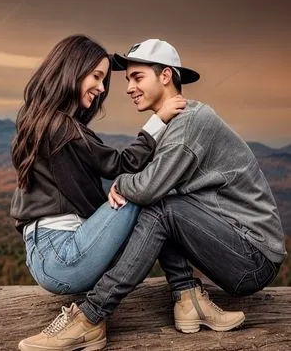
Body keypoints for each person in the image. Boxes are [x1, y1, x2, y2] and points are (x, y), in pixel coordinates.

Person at [18, 39, 286, 351]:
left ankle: (90, 317)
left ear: (166, 76)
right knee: (163, 202)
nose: (126, 88)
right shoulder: (177, 125)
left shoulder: (188, 125)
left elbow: (145, 188)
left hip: (252, 257)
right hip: (235, 245)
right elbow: (148, 182)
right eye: (125, 79)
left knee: (159, 205)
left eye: (137, 77)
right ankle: (188, 299)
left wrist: (122, 184)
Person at [10, 35, 187, 295]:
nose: (102, 88)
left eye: (103, 80)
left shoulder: (38, 118)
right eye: (96, 76)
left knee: (148, 193)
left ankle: (184, 292)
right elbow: (121, 164)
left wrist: (119, 190)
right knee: (154, 192)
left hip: (51, 253)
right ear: (72, 69)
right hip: (61, 254)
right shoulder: (60, 126)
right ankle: (186, 291)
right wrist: (159, 120)